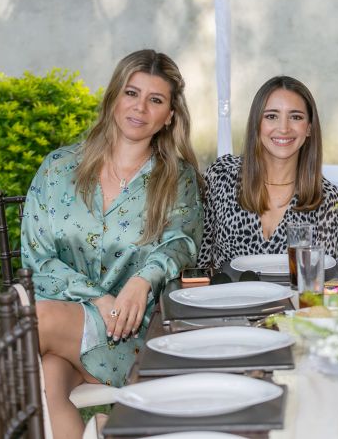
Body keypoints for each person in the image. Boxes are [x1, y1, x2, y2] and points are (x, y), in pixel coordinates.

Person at [21, 49, 204, 439]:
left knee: (25, 327)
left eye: (155, 100)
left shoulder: (176, 179)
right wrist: (97, 299)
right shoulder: (58, 168)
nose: (140, 108)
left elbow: (181, 242)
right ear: (113, 97)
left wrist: (143, 280)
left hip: (129, 333)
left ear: (169, 115)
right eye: (131, 93)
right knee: (49, 384)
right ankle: (103, 431)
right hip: (67, 330)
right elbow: (36, 258)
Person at [197, 75, 338, 269]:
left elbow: (320, 281)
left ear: (309, 128)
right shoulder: (221, 175)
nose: (283, 128)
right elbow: (199, 263)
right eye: (271, 116)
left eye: (296, 117)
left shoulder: (326, 198)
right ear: (257, 124)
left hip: (293, 300)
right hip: (225, 298)